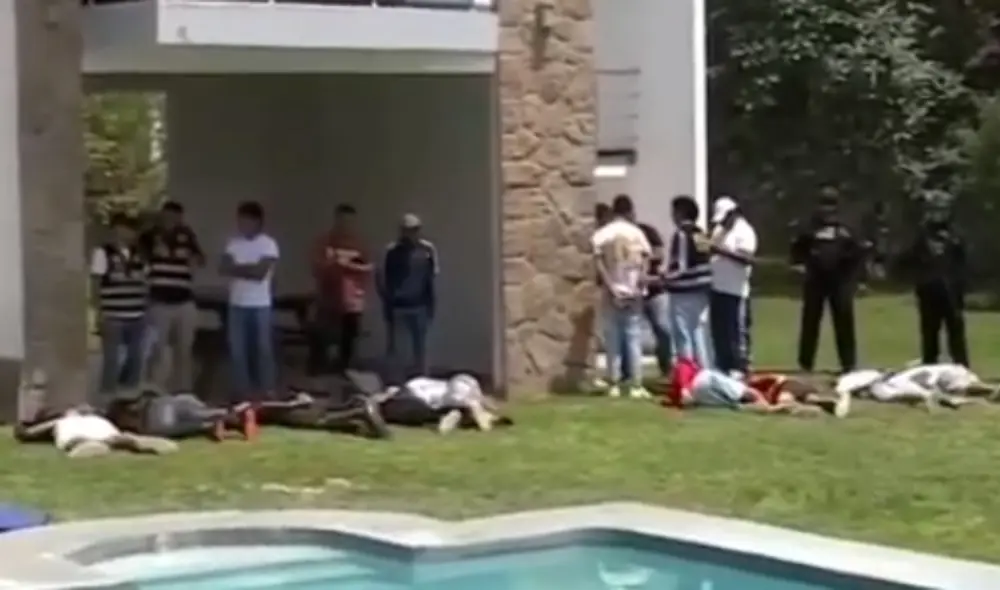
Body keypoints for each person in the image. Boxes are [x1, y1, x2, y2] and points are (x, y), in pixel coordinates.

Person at [790, 188, 866, 374]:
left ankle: (848, 363)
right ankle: (805, 363)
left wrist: (857, 277)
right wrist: (799, 263)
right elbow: (797, 248)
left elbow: (858, 252)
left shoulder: (846, 228)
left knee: (844, 322)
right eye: (823, 205)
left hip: (841, 281)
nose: (826, 210)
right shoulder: (810, 227)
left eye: (830, 205)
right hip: (815, 279)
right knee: (810, 321)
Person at [591, 195, 653, 399]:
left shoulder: (602, 234)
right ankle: (636, 384)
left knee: (613, 339)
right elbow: (646, 258)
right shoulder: (637, 233)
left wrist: (610, 286)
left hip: (612, 290)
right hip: (633, 291)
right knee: (633, 337)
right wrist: (638, 283)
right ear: (629, 210)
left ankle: (614, 383)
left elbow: (599, 263)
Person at [139, 201, 204, 392]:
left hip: (184, 299)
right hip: (159, 300)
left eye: (176, 217)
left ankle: (183, 391)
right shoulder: (150, 236)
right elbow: (140, 259)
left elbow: (200, 259)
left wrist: (192, 259)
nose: (172, 221)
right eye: (168, 216)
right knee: (158, 349)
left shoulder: (187, 235)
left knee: (184, 350)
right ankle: (154, 389)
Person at [219, 201, 280, 403]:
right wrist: (247, 269)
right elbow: (223, 268)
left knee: (262, 349)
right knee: (237, 350)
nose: (242, 224)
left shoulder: (268, 244)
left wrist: (238, 268)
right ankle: (242, 392)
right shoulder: (233, 243)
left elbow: (260, 273)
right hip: (236, 304)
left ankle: (266, 390)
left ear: (257, 222)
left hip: (260, 305)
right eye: (240, 220)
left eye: (246, 220)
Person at [899, 199, 968, 366]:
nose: (938, 214)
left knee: (956, 332)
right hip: (928, 291)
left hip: (951, 291)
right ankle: (930, 367)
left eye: (942, 210)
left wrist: (960, 286)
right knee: (929, 333)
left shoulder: (956, 235)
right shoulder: (920, 235)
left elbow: (963, 263)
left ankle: (962, 369)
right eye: (935, 210)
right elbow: (907, 260)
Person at [309, 204, 373, 375]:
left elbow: (369, 268)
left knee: (349, 339)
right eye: (342, 220)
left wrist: (349, 265)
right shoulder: (325, 241)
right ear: (336, 219)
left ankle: (345, 372)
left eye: (349, 221)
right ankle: (319, 372)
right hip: (328, 297)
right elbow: (316, 268)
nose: (345, 224)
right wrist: (332, 264)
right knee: (322, 336)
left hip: (352, 300)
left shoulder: (359, 244)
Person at [665, 358, 850, 417]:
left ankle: (823, 406)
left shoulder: (685, 368)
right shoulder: (681, 381)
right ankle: (825, 407)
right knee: (790, 402)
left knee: (788, 400)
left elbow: (772, 379)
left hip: (780, 389)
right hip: (710, 391)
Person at [91, 213, 148, 398]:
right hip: (113, 313)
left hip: (137, 312)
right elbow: (96, 282)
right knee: (113, 358)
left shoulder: (140, 254)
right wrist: (98, 311)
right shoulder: (103, 253)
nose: (126, 234)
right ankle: (107, 394)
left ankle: (129, 393)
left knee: (136, 357)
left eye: (130, 230)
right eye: (122, 229)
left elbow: (146, 280)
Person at [379, 214, 438, 378]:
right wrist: (387, 304)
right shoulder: (391, 251)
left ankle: (422, 382)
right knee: (399, 350)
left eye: (414, 230)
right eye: (407, 230)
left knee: (422, 349)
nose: (410, 233)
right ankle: (397, 385)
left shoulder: (427, 250)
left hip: (420, 305)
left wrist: (431, 304)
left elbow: (431, 278)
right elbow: (382, 278)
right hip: (398, 306)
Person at [708, 196, 757, 378]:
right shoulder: (719, 230)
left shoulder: (745, 232)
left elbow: (747, 260)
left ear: (733, 213)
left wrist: (720, 252)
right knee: (719, 331)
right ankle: (722, 365)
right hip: (718, 287)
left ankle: (740, 367)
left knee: (736, 331)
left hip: (736, 290)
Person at [663, 195, 712, 367]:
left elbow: (681, 266)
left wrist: (664, 277)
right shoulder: (701, 233)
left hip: (685, 290)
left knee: (682, 333)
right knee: (697, 331)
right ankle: (703, 368)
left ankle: (687, 372)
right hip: (703, 288)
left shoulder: (682, 234)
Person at [377, 373, 513, 434]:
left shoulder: (413, 386)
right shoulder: (465, 387)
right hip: (434, 403)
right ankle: (475, 414)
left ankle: (475, 414)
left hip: (426, 400)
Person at [836, 363, 995, 411]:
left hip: (941, 374)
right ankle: (991, 392)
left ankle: (992, 391)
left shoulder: (887, 384)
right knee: (960, 388)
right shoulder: (892, 383)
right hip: (943, 374)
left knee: (961, 386)